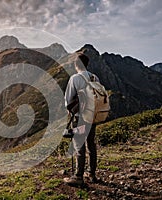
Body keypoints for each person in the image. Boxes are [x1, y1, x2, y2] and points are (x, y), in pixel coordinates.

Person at [64, 52, 99, 186]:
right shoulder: (95, 77)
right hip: (92, 116)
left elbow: (68, 100)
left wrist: (70, 111)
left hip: (79, 118)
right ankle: (92, 174)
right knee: (91, 144)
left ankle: (78, 176)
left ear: (76, 64)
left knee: (79, 145)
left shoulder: (75, 78)